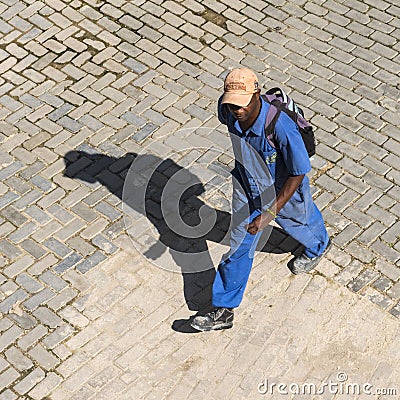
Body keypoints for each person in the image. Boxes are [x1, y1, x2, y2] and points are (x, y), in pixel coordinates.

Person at [190, 68, 331, 332]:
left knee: (300, 222)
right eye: (231, 104)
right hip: (246, 185)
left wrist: (270, 213)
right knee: (239, 243)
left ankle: (320, 245)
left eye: (242, 104)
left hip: (283, 191)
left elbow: (299, 172)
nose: (237, 110)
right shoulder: (228, 111)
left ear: (257, 94)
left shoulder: (281, 127)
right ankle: (224, 309)